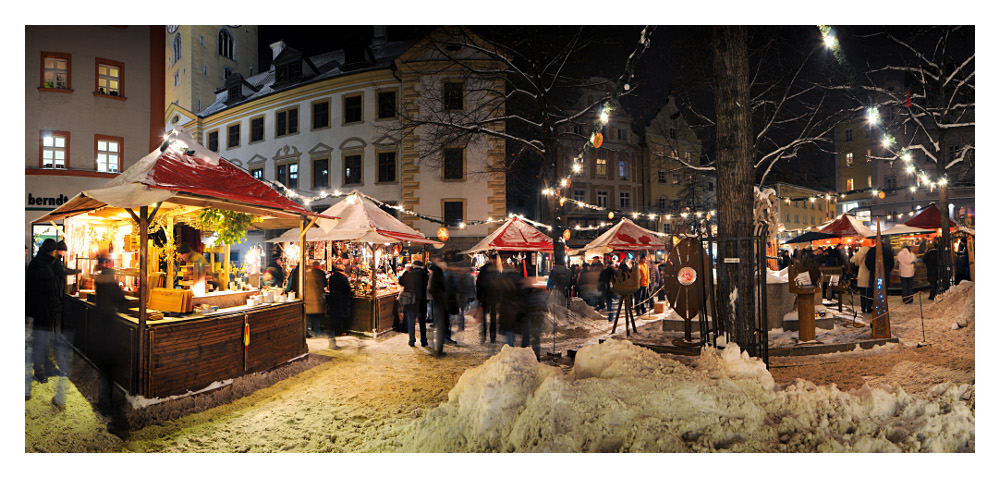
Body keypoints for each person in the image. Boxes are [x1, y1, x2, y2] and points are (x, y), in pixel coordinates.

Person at [25, 239, 62, 404]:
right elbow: (41, 292)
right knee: (41, 340)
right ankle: (39, 370)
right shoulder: (40, 266)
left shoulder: (43, 263)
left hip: (47, 310)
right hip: (43, 311)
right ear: (52, 251)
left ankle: (47, 367)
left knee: (46, 340)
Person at [399, 260, 429, 347]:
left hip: (410, 301)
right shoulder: (424, 276)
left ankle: (411, 340)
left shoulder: (408, 275)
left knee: (411, 321)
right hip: (421, 301)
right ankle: (423, 341)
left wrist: (406, 271)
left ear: (413, 265)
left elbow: (400, 281)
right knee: (422, 322)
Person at [427, 254, 450, 357]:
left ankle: (438, 349)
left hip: (439, 302)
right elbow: (438, 288)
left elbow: (431, 289)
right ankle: (438, 351)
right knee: (441, 326)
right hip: (441, 302)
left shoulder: (436, 273)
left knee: (441, 326)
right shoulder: (439, 273)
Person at [476, 253, 501, 344]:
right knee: (492, 318)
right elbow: (498, 285)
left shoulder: (483, 269)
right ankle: (492, 337)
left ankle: (484, 337)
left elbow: (478, 284)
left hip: (484, 297)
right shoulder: (495, 270)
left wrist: (479, 298)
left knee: (485, 318)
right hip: (492, 297)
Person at [865, 238, 894, 311]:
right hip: (885, 275)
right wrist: (887, 270)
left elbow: (867, 262)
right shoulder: (888, 251)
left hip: (874, 275)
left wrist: (872, 269)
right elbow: (891, 263)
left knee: (874, 292)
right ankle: (883, 306)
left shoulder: (871, 251)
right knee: (884, 292)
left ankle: (875, 306)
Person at [327, 264, 352, 337]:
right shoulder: (343, 278)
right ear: (343, 271)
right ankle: (341, 332)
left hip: (333, 299)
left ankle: (336, 331)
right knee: (342, 316)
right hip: (342, 300)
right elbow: (347, 289)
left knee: (335, 316)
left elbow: (329, 287)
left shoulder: (332, 277)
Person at [303, 261, 327, 337]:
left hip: (308, 296)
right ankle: (317, 331)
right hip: (316, 296)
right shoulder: (321, 273)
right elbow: (325, 284)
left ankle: (306, 332)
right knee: (316, 315)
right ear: (319, 265)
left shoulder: (308, 273)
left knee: (307, 315)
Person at [851, 245, 871, 313]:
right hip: (869, 274)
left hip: (861, 274)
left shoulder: (859, 253)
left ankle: (863, 307)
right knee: (869, 293)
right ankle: (869, 307)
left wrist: (857, 263)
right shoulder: (870, 253)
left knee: (862, 293)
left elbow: (851, 260)